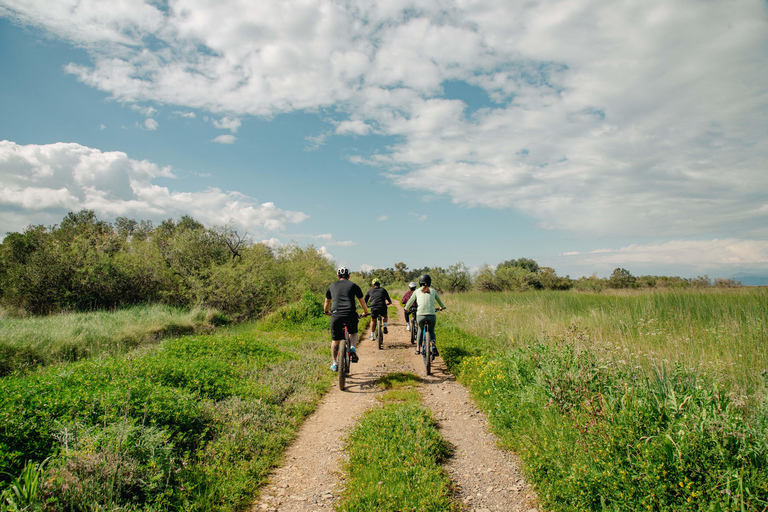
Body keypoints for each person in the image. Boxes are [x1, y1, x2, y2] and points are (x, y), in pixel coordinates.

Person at [324, 266, 369, 371]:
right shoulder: (354, 285)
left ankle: (335, 363)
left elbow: (327, 302)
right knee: (353, 332)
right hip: (350, 314)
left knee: (335, 340)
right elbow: (362, 301)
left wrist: (327, 312)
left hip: (336, 314)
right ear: (349, 276)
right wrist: (366, 312)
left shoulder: (332, 286)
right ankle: (353, 347)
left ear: (338, 276)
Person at [404, 274, 446, 356]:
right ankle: (433, 346)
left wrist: (406, 308)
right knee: (431, 330)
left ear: (420, 282)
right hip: (432, 315)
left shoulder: (417, 291)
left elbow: (410, 302)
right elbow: (440, 302)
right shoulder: (433, 291)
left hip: (420, 315)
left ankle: (418, 348)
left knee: (420, 328)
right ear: (429, 282)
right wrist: (442, 307)